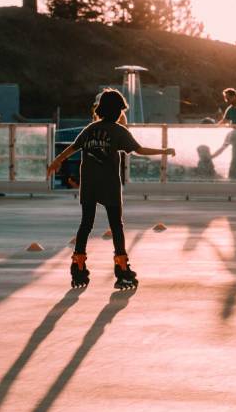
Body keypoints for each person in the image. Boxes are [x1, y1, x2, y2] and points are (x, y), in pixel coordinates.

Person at [47, 89, 175, 290]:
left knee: (85, 225)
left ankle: (78, 265)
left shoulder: (90, 129)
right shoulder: (118, 131)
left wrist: (56, 162)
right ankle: (122, 269)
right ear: (117, 112)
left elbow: (72, 147)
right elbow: (140, 150)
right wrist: (164, 151)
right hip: (109, 186)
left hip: (89, 185)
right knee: (116, 226)